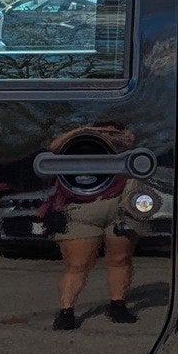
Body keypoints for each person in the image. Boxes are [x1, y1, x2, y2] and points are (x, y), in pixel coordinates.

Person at [44, 122, 141, 330]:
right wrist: (83, 131)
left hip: (119, 204)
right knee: (77, 264)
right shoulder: (76, 141)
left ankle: (117, 304)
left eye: (110, 131)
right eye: (101, 130)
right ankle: (66, 311)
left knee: (120, 258)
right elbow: (53, 147)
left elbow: (132, 144)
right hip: (80, 207)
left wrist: (117, 136)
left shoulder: (120, 144)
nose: (104, 135)